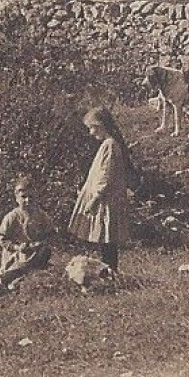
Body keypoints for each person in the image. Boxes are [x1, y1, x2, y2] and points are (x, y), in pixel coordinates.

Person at [67, 107, 133, 272]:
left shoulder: (110, 146)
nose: (91, 132)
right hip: (106, 197)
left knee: (107, 239)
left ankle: (110, 271)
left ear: (102, 125)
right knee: (105, 238)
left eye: (93, 127)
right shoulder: (107, 145)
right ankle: (108, 271)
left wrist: (95, 198)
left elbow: (106, 175)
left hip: (106, 199)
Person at [0, 175, 57, 299]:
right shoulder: (12, 217)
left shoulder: (41, 215)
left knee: (44, 253)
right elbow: (3, 240)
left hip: (34, 252)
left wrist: (41, 243)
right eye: (24, 197)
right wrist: (17, 247)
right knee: (17, 269)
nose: (28, 200)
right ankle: (3, 283)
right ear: (16, 198)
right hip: (16, 255)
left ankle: (20, 280)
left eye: (31, 197)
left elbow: (50, 234)